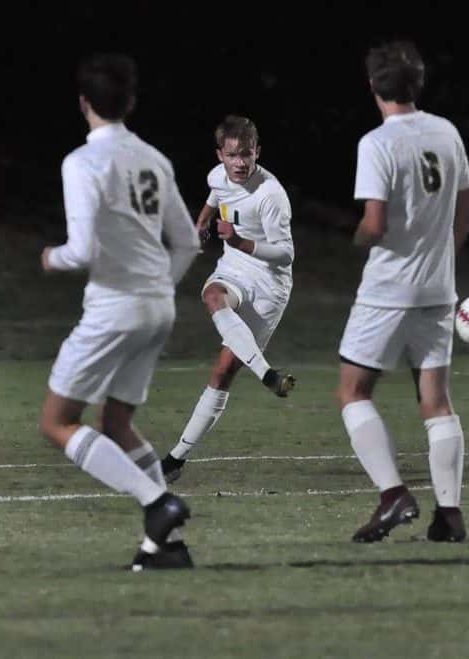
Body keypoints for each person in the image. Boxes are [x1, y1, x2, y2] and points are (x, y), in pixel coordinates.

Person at [38, 53, 201, 570]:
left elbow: (81, 249)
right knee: (117, 422)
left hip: (115, 308)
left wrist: (51, 257)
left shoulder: (82, 162)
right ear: (130, 102)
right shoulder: (154, 159)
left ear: (83, 103)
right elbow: (188, 243)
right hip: (158, 308)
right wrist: (158, 287)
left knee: (57, 421)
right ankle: (167, 546)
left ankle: (157, 503)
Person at [337, 41, 469, 543]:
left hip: (388, 289)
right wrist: (445, 254)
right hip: (439, 289)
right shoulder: (446, 131)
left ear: (373, 86)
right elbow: (468, 205)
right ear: (418, 83)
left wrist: (355, 238)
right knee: (436, 402)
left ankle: (393, 494)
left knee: (353, 391)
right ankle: (450, 515)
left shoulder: (377, 143)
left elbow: (374, 224)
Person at [159, 115, 296, 483]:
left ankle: (176, 458)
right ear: (220, 155)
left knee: (222, 373)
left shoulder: (270, 194)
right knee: (212, 295)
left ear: (257, 152)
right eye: (232, 155)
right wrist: (202, 221)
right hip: (234, 270)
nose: (240, 163)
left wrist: (238, 241)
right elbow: (215, 194)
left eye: (246, 154)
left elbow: (286, 254)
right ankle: (267, 374)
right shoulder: (217, 176)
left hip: (269, 286)